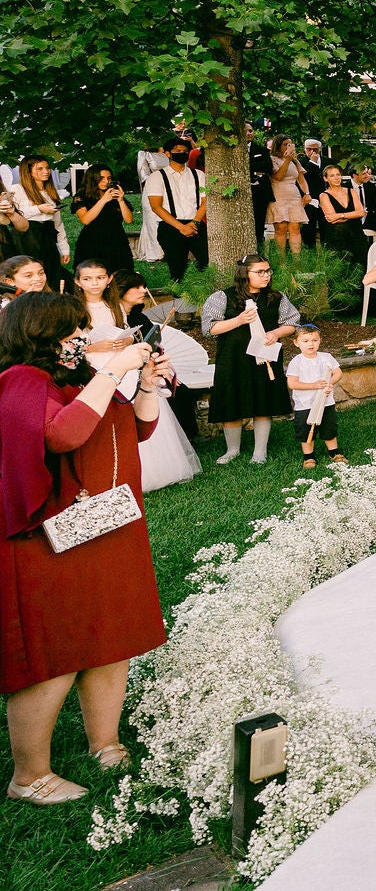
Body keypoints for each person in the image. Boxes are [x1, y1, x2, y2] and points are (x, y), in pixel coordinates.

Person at [0, 294, 169, 805]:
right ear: (39, 332)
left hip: (103, 524)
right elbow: (64, 435)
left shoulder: (76, 376)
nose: (80, 337)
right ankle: (29, 776)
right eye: (71, 329)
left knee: (110, 641)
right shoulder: (21, 380)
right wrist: (114, 369)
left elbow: (137, 429)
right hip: (49, 538)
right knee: (57, 653)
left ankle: (105, 742)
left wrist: (145, 384)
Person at [104, 272, 202, 490]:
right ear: (121, 289)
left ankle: (184, 444)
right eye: (137, 288)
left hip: (149, 370)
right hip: (125, 374)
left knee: (179, 393)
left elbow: (156, 346)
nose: (143, 291)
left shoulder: (141, 318)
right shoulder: (110, 318)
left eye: (144, 287)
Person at [202, 254, 299, 464]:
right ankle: (232, 450)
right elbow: (209, 328)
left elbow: (293, 323)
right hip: (232, 358)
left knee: (263, 400)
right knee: (231, 401)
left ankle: (260, 451)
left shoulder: (276, 297)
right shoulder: (222, 297)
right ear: (245, 273)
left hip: (264, 358)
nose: (266, 275)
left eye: (268, 271)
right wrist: (238, 320)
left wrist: (276, 333)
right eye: (260, 272)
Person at [145, 137, 208, 283]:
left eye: (185, 151)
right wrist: (181, 227)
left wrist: (194, 222)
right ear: (168, 153)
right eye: (178, 151)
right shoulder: (157, 177)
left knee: (207, 262)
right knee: (177, 268)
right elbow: (156, 207)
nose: (182, 154)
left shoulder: (198, 175)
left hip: (196, 224)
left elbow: (205, 202)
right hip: (170, 226)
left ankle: (204, 291)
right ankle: (178, 293)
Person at [285, 324, 345, 468]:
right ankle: (309, 456)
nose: (310, 344)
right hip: (305, 404)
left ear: (320, 340)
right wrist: (313, 385)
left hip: (326, 402)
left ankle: (334, 452)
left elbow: (338, 373)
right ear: (296, 342)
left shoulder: (326, 357)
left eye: (314, 340)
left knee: (329, 427)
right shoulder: (297, 361)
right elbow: (292, 383)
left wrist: (329, 383)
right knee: (306, 430)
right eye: (305, 341)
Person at [8, 158, 70, 289]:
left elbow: (58, 224)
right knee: (28, 273)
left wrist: (64, 249)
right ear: (28, 171)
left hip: (47, 238)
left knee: (50, 275)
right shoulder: (17, 189)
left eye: (47, 168)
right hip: (25, 238)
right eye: (40, 169)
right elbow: (12, 214)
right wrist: (38, 209)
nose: (46, 171)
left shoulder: (50, 192)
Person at [70, 166, 133, 274]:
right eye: (101, 178)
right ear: (92, 178)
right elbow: (85, 220)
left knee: (120, 275)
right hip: (92, 242)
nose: (106, 181)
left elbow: (129, 220)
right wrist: (103, 200)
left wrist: (121, 201)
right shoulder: (82, 196)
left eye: (109, 178)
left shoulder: (114, 194)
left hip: (117, 240)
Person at [316, 164, 372, 272]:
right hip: (337, 238)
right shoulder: (324, 195)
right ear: (325, 178)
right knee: (341, 270)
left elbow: (361, 212)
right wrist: (352, 215)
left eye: (338, 174)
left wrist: (340, 215)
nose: (336, 178)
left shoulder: (351, 191)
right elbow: (332, 218)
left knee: (361, 269)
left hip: (356, 235)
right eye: (332, 175)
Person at [265, 136, 310, 254]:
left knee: (295, 228)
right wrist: (287, 160)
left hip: (294, 196)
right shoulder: (272, 159)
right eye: (285, 144)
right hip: (278, 195)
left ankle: (297, 260)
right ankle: (281, 260)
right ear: (278, 145)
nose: (288, 147)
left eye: (290, 144)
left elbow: (301, 179)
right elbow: (278, 176)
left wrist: (307, 193)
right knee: (281, 229)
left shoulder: (295, 161)